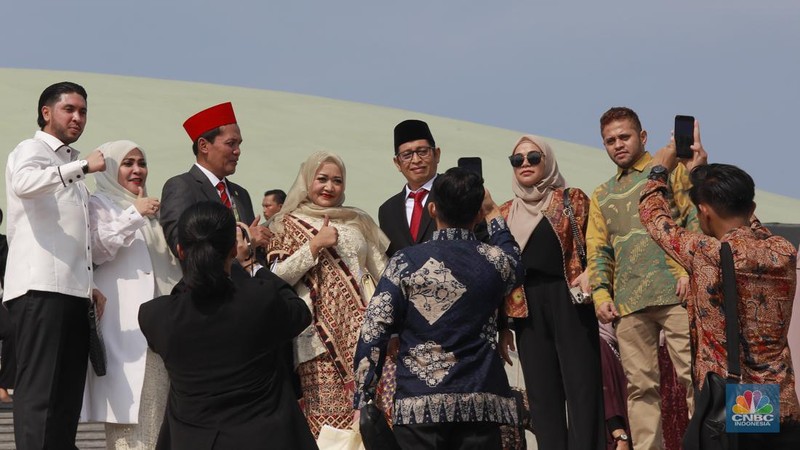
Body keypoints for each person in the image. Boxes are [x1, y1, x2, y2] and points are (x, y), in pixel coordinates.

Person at [639, 126, 800, 447]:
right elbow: (748, 221)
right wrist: (701, 175)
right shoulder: (783, 252)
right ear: (752, 208)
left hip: (737, 401)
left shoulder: (707, 253)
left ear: (704, 212)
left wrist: (660, 170)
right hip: (781, 401)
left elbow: (654, 218)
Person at [354, 167, 523, 449]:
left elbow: (375, 328)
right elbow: (515, 258)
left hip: (419, 406)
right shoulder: (496, 261)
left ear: (432, 209)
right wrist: (494, 214)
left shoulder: (405, 261)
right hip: (480, 401)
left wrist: (365, 392)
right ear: (478, 212)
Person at [138, 201, 315, 449]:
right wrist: (252, 268)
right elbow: (298, 312)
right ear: (233, 248)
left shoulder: (155, 316)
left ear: (180, 250)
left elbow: (185, 296)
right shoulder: (259, 300)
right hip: (266, 439)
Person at [4, 81, 107, 448]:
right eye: (70, 109)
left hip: (71, 293)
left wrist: (87, 283)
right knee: (40, 394)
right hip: (39, 290)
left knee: (66, 399)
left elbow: (73, 236)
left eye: (83, 111)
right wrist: (82, 166)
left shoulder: (70, 164)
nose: (78, 117)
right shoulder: (31, 149)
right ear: (47, 112)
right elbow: (24, 183)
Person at [587, 106, 695, 449]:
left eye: (624, 136)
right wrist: (601, 296)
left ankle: (711, 444)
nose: (618, 144)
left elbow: (691, 222)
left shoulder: (670, 171)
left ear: (642, 137)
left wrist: (691, 272)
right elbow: (599, 250)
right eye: (610, 140)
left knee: (694, 377)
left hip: (675, 292)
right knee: (640, 388)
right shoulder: (601, 194)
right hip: (629, 302)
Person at [268, 151, 389, 437]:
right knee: (326, 425)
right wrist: (313, 246)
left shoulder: (357, 221)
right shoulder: (287, 222)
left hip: (364, 337)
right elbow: (275, 278)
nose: (329, 187)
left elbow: (384, 277)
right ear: (307, 180)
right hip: (317, 341)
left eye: (337, 181)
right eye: (322, 179)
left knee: (367, 421)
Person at [497, 135, 604, 450]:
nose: (525, 164)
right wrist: (503, 325)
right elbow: (500, 272)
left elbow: (597, 246)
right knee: (542, 395)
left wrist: (591, 273)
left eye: (533, 157)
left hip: (569, 298)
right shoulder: (504, 213)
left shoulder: (572, 199)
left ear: (548, 160)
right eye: (518, 160)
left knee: (582, 387)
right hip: (526, 306)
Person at [80, 140, 183, 449]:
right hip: (128, 333)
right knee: (134, 425)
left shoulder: (154, 210)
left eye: (141, 162)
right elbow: (97, 248)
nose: (137, 169)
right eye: (128, 163)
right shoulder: (99, 203)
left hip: (166, 329)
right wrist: (134, 214)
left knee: (160, 421)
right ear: (110, 168)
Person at [160, 101, 268, 258]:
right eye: (231, 143)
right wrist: (245, 238)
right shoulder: (182, 186)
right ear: (204, 146)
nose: (237, 151)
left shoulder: (240, 193)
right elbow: (181, 246)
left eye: (239, 144)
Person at [378, 119, 441, 257]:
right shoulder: (387, 211)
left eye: (423, 152)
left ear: (437, 154)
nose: (416, 160)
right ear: (397, 163)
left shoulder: (455, 192)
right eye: (407, 155)